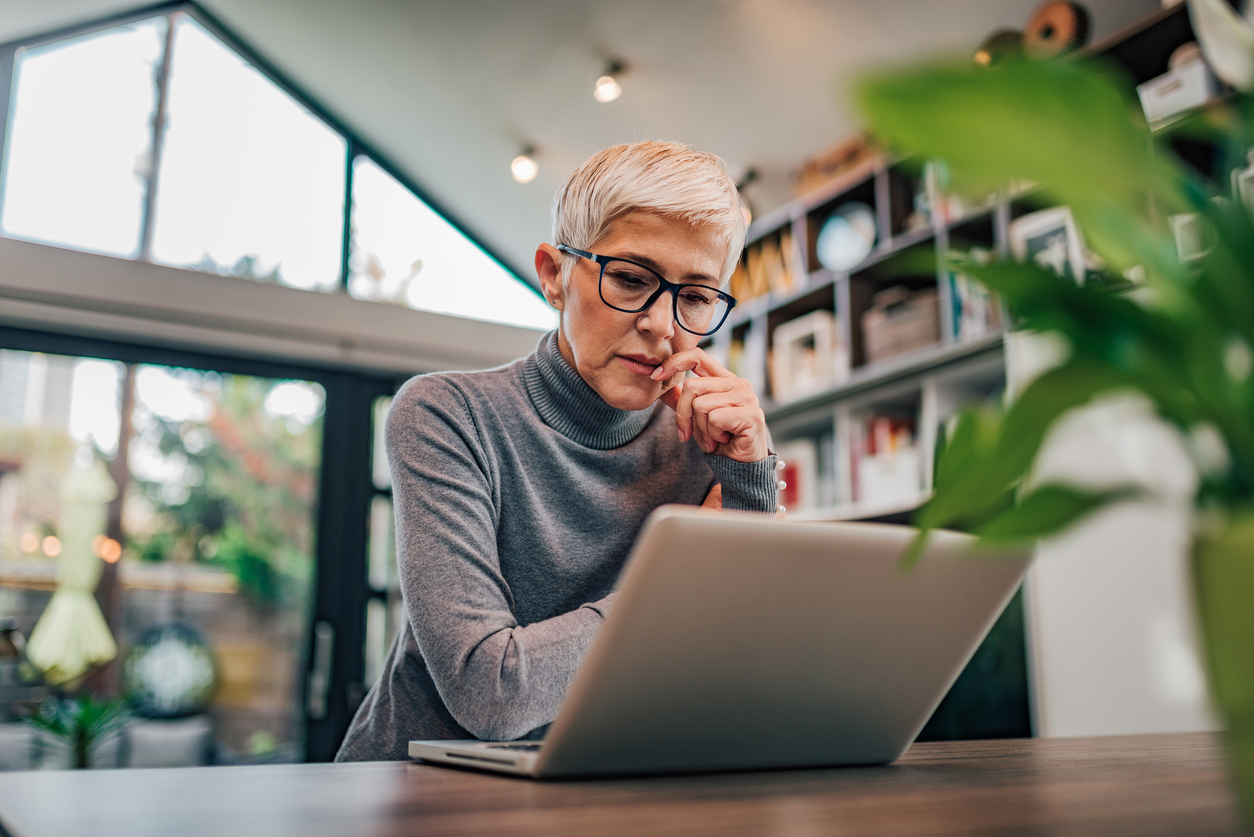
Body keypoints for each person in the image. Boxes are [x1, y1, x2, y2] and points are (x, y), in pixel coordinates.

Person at [335, 141, 780, 761]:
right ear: (553, 275)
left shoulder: (708, 443)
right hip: (418, 796)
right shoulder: (447, 415)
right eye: (630, 278)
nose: (662, 324)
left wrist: (752, 484)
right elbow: (491, 692)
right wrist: (675, 591)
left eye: (698, 296)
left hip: (596, 792)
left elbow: (742, 681)